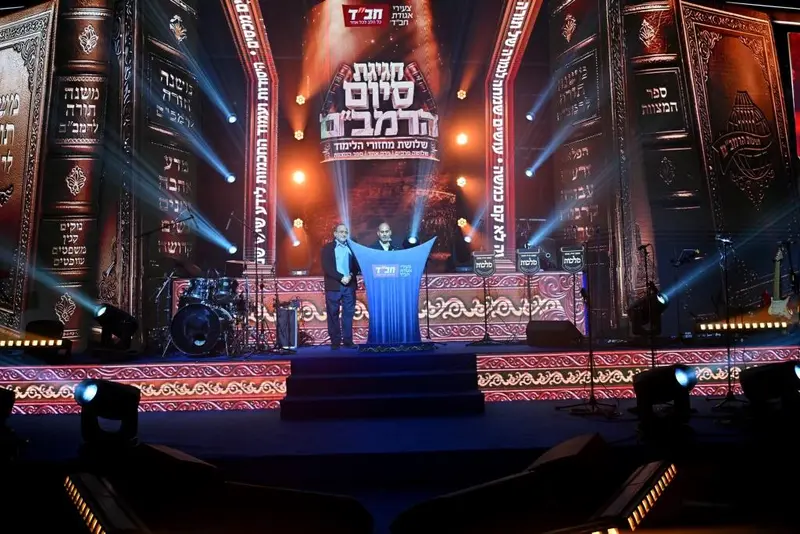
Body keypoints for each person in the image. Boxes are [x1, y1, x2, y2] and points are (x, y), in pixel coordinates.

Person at [321, 223, 359, 349]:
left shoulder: (352, 247)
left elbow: (356, 266)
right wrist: (340, 277)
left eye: (345, 232)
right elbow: (327, 267)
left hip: (349, 285)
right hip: (334, 285)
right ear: (335, 234)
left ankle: (348, 341)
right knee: (333, 314)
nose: (344, 234)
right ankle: (335, 342)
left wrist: (350, 275)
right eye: (341, 232)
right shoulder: (328, 248)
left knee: (348, 314)